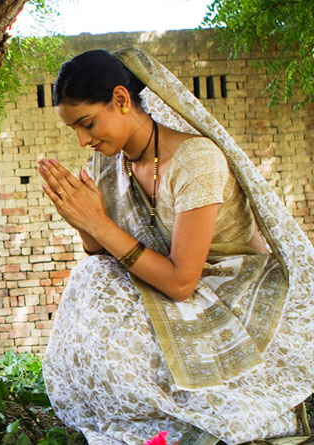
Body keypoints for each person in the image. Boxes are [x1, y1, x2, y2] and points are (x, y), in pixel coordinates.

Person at [37, 48, 314, 445]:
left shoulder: (195, 160)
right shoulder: (111, 164)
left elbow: (183, 280)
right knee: (92, 277)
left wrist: (97, 222)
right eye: (74, 130)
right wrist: (83, 223)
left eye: (87, 123)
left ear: (120, 100)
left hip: (229, 287)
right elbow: (103, 251)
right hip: (163, 281)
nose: (83, 140)